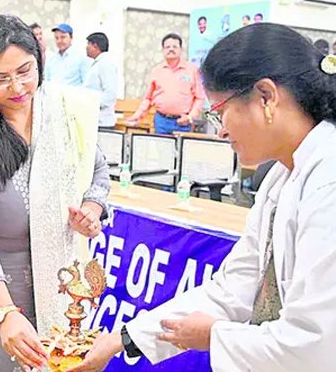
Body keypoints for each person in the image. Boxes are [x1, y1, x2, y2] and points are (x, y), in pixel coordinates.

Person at [68, 23, 336, 372]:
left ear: (266, 97)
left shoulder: (327, 181)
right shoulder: (283, 176)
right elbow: (235, 286)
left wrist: (216, 337)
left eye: (220, 111)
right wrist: (123, 338)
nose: (221, 129)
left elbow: (316, 345)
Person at [0, 14, 110, 372]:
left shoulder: (66, 112)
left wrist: (91, 208)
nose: (18, 88)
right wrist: (4, 313)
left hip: (59, 276)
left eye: (26, 71)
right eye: (0, 79)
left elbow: (97, 170)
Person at [127, 33, 205, 134]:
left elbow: (199, 97)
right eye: (167, 47)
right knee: (161, 149)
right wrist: (137, 115)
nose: (171, 49)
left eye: (175, 47)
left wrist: (190, 117)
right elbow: (148, 98)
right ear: (163, 50)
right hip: (161, 121)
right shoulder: (156, 71)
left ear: (180, 50)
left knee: (181, 150)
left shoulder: (192, 70)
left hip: (182, 122)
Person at [84, 32, 118, 128]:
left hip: (103, 122)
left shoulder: (106, 64)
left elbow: (110, 94)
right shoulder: (98, 63)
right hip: (94, 120)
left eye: (88, 44)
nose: (86, 47)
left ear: (95, 46)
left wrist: (92, 105)